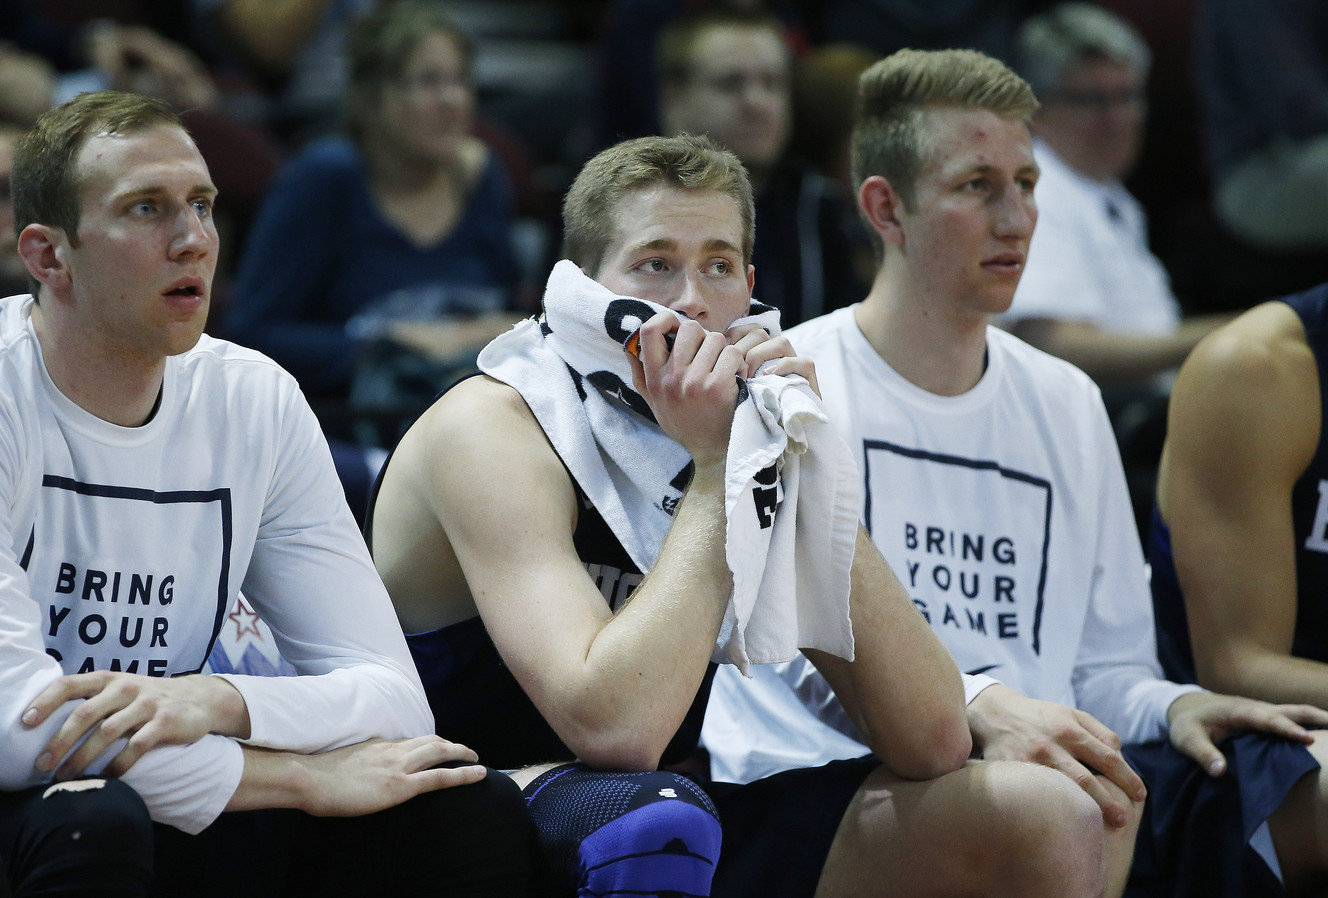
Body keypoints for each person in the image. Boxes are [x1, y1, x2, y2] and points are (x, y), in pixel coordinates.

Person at [368, 128, 1125, 897]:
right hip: (461, 818)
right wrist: (715, 472)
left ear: (752, 286)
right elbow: (615, 730)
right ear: (582, 288)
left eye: (719, 266)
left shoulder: (751, 423)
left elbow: (930, 739)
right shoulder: (494, 425)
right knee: (655, 820)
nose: (693, 300)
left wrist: (795, 462)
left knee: (1042, 812)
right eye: (656, 264)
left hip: (668, 815)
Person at [698, 47, 1328, 898]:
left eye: (1028, 184)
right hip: (810, 777)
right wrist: (973, 703)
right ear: (886, 208)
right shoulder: (789, 377)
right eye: (977, 186)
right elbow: (772, 655)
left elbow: (1103, 672)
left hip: (1038, 775)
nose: (1018, 218)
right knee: (1053, 805)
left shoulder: (1067, 399)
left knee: (1232, 781)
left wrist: (1175, 704)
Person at [0, 91, 535, 896]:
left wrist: (216, 698)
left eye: (204, 206)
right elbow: (17, 728)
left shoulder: (253, 398)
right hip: (38, 808)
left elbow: (392, 697)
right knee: (95, 817)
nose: (193, 241)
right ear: (48, 257)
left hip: (167, 781)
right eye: (147, 209)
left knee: (459, 803)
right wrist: (298, 780)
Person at [224, 0, 521, 408]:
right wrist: (386, 344)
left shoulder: (481, 177)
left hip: (471, 406)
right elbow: (252, 333)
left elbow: (507, 306)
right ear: (371, 97)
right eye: (428, 82)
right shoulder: (324, 179)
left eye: (461, 81)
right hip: (347, 420)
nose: (453, 100)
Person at [1001, 2, 1231, 389]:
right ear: (1035, 109)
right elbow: (1049, 344)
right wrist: (1219, 336)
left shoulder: (1103, 193)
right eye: (1092, 100)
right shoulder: (1039, 191)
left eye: (1128, 97)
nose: (1118, 120)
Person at [655, 7, 869, 327]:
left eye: (772, 83)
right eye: (730, 83)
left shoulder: (816, 206)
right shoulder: (621, 203)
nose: (756, 102)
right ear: (674, 100)